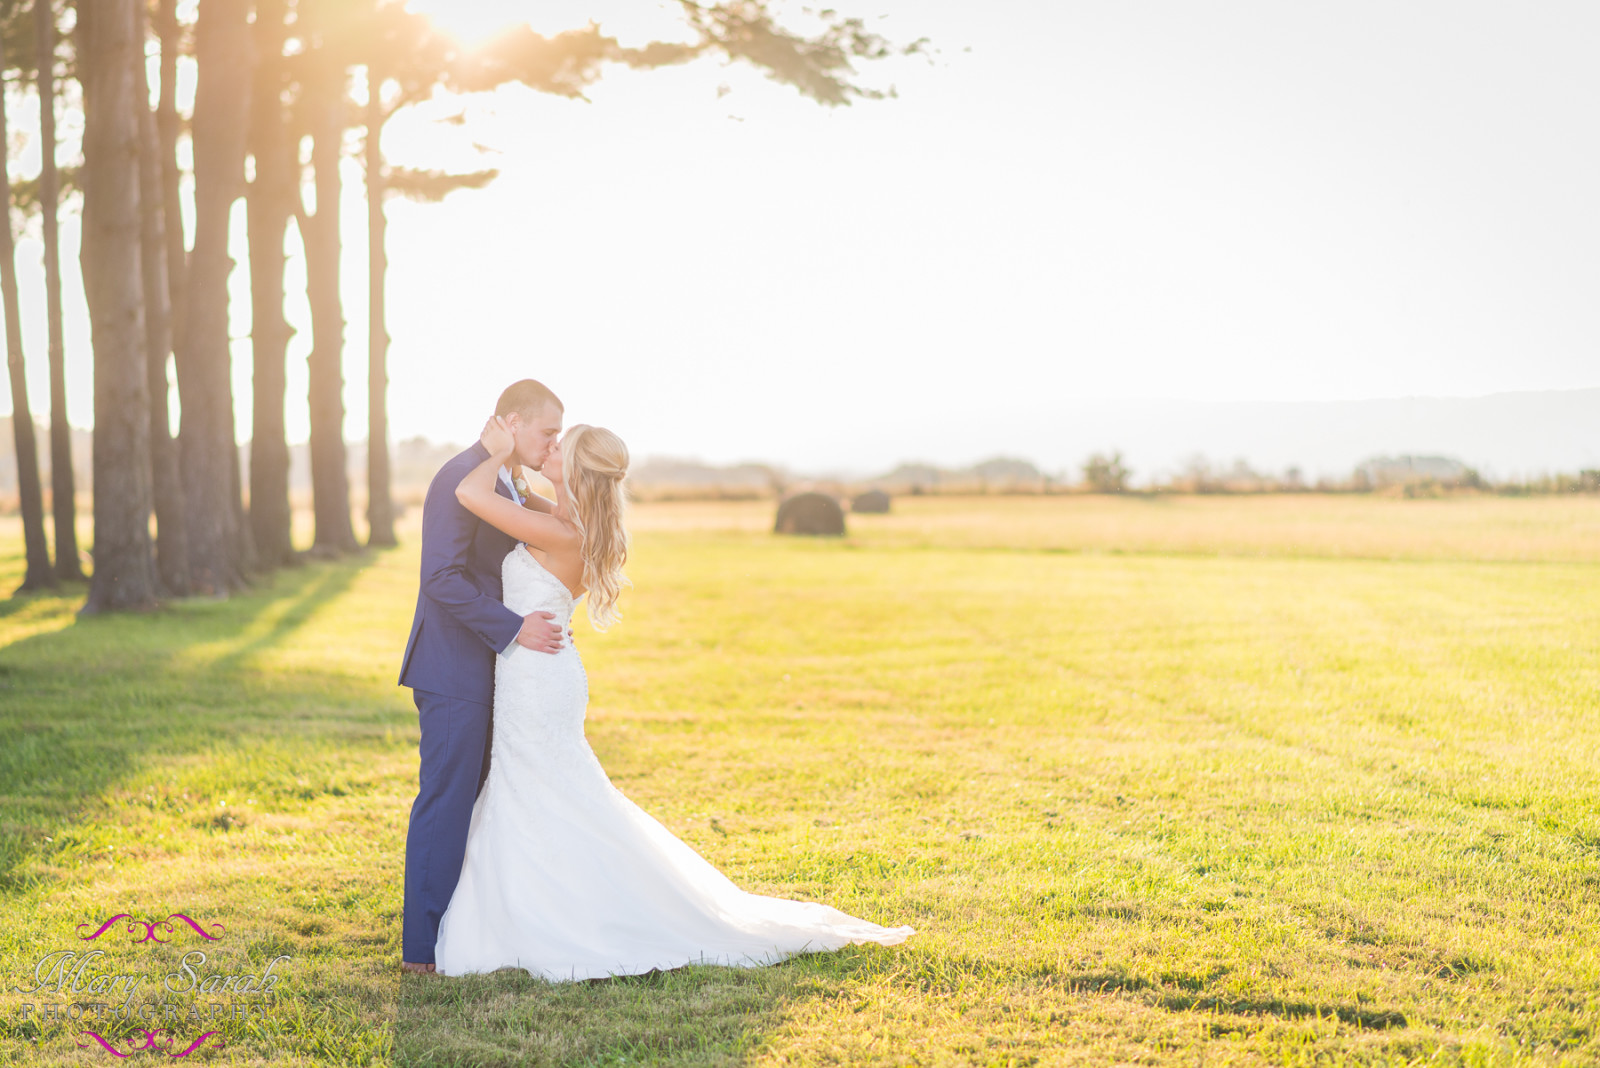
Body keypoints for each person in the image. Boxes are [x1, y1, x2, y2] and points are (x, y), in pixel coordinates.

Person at [429, 413, 913, 980]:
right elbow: (506, 503)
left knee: (541, 790)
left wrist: (494, 451)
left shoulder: (561, 532)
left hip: (538, 680)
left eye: (563, 444)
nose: (552, 446)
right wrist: (513, 464)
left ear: (577, 470)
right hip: (540, 672)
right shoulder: (561, 519)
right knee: (547, 791)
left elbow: (469, 492)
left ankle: (561, 912)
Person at [398, 379, 571, 976]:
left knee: (473, 802)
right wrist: (514, 627)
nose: (553, 443)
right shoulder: (459, 477)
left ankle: (461, 933)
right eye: (548, 431)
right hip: (452, 667)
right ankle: (421, 951)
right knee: (445, 804)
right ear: (512, 421)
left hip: (489, 667)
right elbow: (441, 578)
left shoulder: (502, 479)